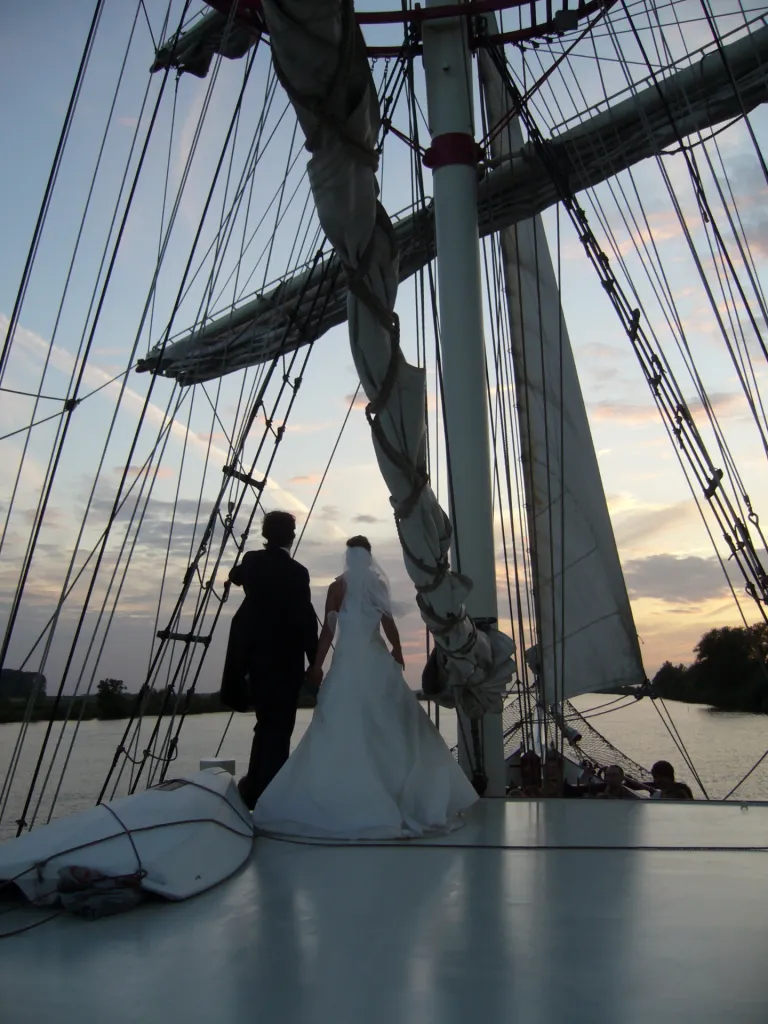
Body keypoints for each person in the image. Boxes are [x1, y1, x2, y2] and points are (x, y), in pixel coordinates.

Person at [252, 536, 479, 839]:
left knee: (351, 722)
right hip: (371, 658)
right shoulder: (371, 585)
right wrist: (395, 649)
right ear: (368, 557)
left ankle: (352, 797)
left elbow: (333, 631)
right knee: (382, 723)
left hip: (351, 660)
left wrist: (318, 665)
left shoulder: (338, 587)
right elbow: (382, 625)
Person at [221, 511, 319, 810]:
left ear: (266, 534)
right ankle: (269, 790)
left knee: (266, 722)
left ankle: (256, 786)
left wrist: (239, 574)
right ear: (289, 536)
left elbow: (234, 576)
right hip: (286, 657)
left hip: (254, 655)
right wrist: (314, 662)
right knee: (279, 725)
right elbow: (306, 621)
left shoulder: (252, 561)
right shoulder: (298, 572)